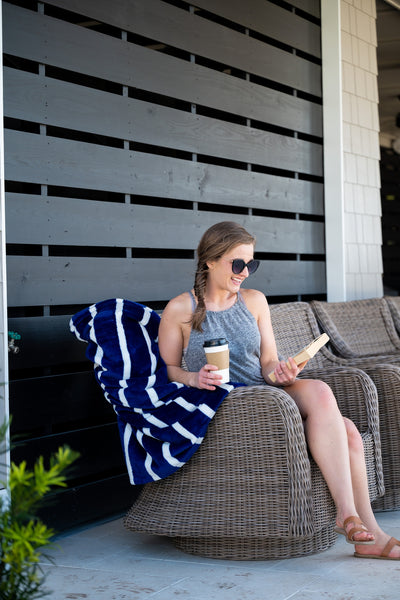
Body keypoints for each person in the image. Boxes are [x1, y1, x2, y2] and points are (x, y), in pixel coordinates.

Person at [158, 220, 400, 561]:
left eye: (251, 264)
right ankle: (353, 521)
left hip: (266, 396)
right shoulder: (180, 309)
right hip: (224, 401)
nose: (245, 272)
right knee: (342, 428)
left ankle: (362, 529)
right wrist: (194, 379)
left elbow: (268, 362)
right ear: (209, 260)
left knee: (333, 412)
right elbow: (168, 370)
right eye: (237, 263)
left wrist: (282, 370)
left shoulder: (254, 301)